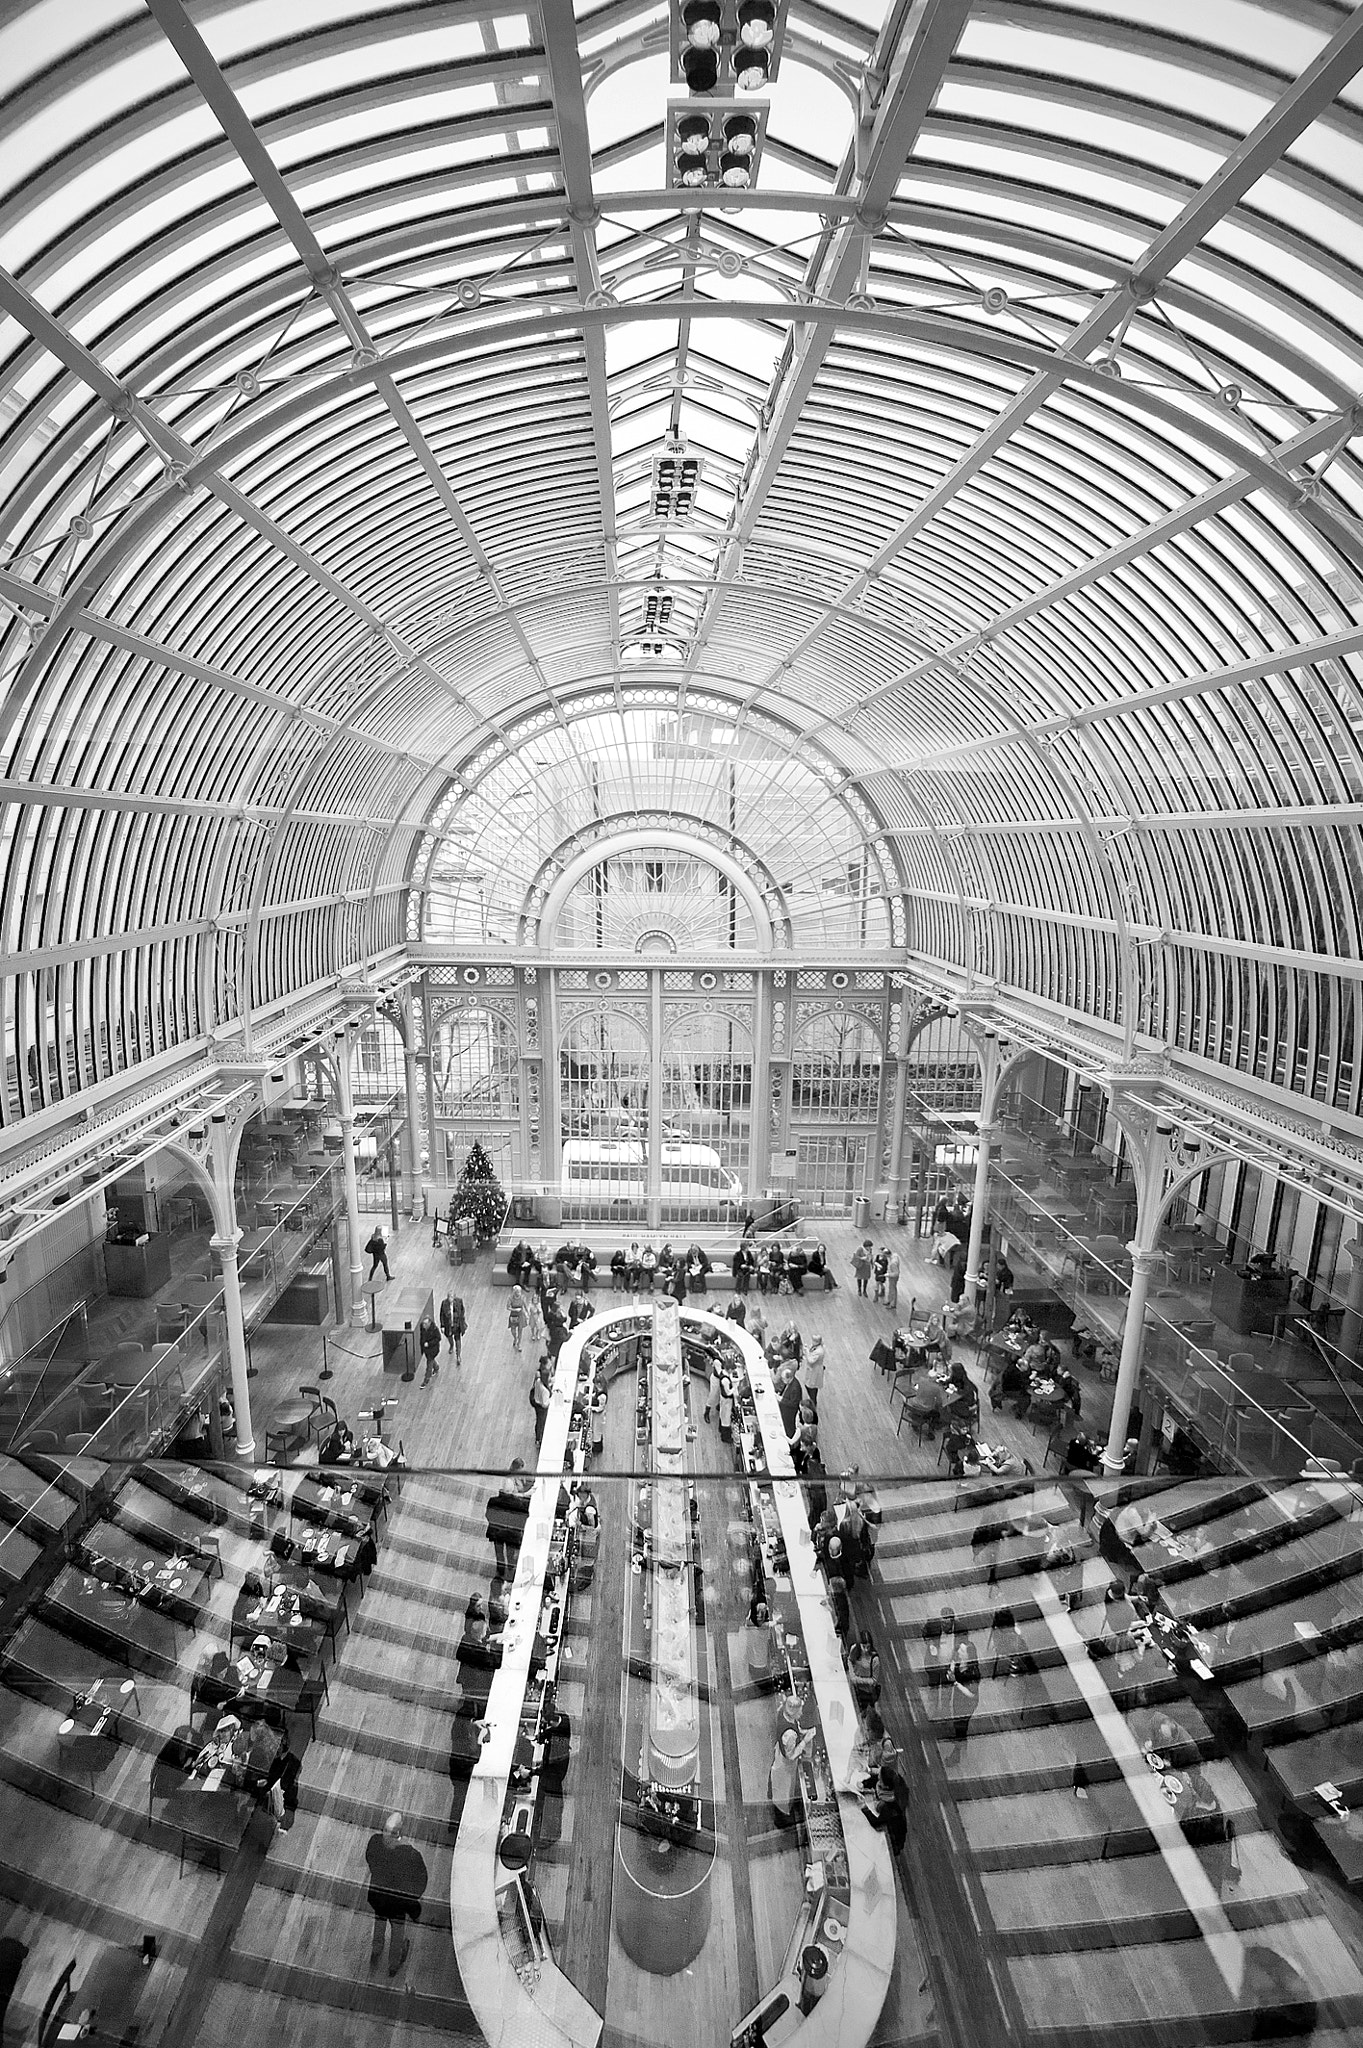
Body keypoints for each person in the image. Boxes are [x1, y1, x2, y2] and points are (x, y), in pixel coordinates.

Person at [365, 1812, 428, 1975]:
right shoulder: (411, 1856)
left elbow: (370, 1860)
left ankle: (376, 1949)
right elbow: (421, 1881)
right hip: (397, 1904)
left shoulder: (375, 1842)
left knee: (379, 1922)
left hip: (378, 1897)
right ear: (400, 1833)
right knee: (397, 1933)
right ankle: (393, 1964)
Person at [487, 1459, 532, 1578]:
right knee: (510, 1553)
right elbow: (523, 1518)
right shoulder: (518, 1505)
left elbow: (488, 1515)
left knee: (499, 1553)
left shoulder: (493, 1501)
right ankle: (511, 1571)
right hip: (510, 1533)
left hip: (497, 1531)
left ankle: (501, 1571)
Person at [769, 1725, 813, 1827]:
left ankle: (781, 1815)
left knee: (780, 1795)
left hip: (780, 1767)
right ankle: (781, 1822)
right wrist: (804, 1742)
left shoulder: (787, 1722)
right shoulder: (790, 1735)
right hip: (784, 1771)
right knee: (782, 1797)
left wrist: (802, 1731)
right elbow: (790, 1755)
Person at [946, 1634, 980, 1743]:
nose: (959, 1651)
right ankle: (957, 1735)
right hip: (958, 1697)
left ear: (968, 1656)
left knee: (961, 1723)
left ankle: (960, 1743)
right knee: (956, 1716)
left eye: (962, 1650)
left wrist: (955, 1682)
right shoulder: (959, 1660)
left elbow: (972, 1694)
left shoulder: (973, 1673)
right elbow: (952, 1670)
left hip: (967, 1703)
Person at [746, 1599, 777, 1689]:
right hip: (758, 1661)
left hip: (753, 1656)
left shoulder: (750, 1619)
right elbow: (766, 1624)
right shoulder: (760, 1626)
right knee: (760, 1678)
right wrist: (775, 1621)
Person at [440, 1287, 467, 1366]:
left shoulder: (459, 1301)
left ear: (454, 1297)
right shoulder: (444, 1303)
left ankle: (458, 1355)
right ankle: (451, 1345)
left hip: (457, 1324)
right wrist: (442, 1325)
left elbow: (462, 1310)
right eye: (448, 1296)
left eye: (451, 1297)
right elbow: (441, 1314)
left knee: (458, 1339)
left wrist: (461, 1320)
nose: (450, 1298)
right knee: (449, 1336)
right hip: (448, 1325)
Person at [530, 1358, 552, 1445]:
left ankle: (538, 1437)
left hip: (535, 1400)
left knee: (539, 1420)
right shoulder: (545, 1391)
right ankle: (539, 1438)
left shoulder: (539, 1380)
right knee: (541, 1421)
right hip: (540, 1405)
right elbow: (545, 1404)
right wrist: (551, 1400)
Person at [418, 1313, 442, 1386]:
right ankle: (436, 1367)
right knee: (431, 1360)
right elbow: (422, 1336)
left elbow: (438, 1338)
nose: (423, 1325)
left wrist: (429, 1343)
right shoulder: (422, 1327)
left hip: (433, 1349)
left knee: (429, 1365)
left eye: (425, 1324)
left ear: (429, 1323)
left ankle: (426, 1380)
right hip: (426, 1349)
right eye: (423, 1323)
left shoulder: (434, 1329)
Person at [507, 1283, 528, 1353]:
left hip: (521, 1315)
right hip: (513, 1315)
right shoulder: (510, 1298)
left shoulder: (522, 1298)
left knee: (520, 1330)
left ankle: (519, 1343)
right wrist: (514, 1310)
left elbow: (525, 1306)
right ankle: (515, 1338)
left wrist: (527, 1313)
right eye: (516, 1292)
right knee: (513, 1330)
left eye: (519, 1292)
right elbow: (508, 1307)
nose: (518, 1293)